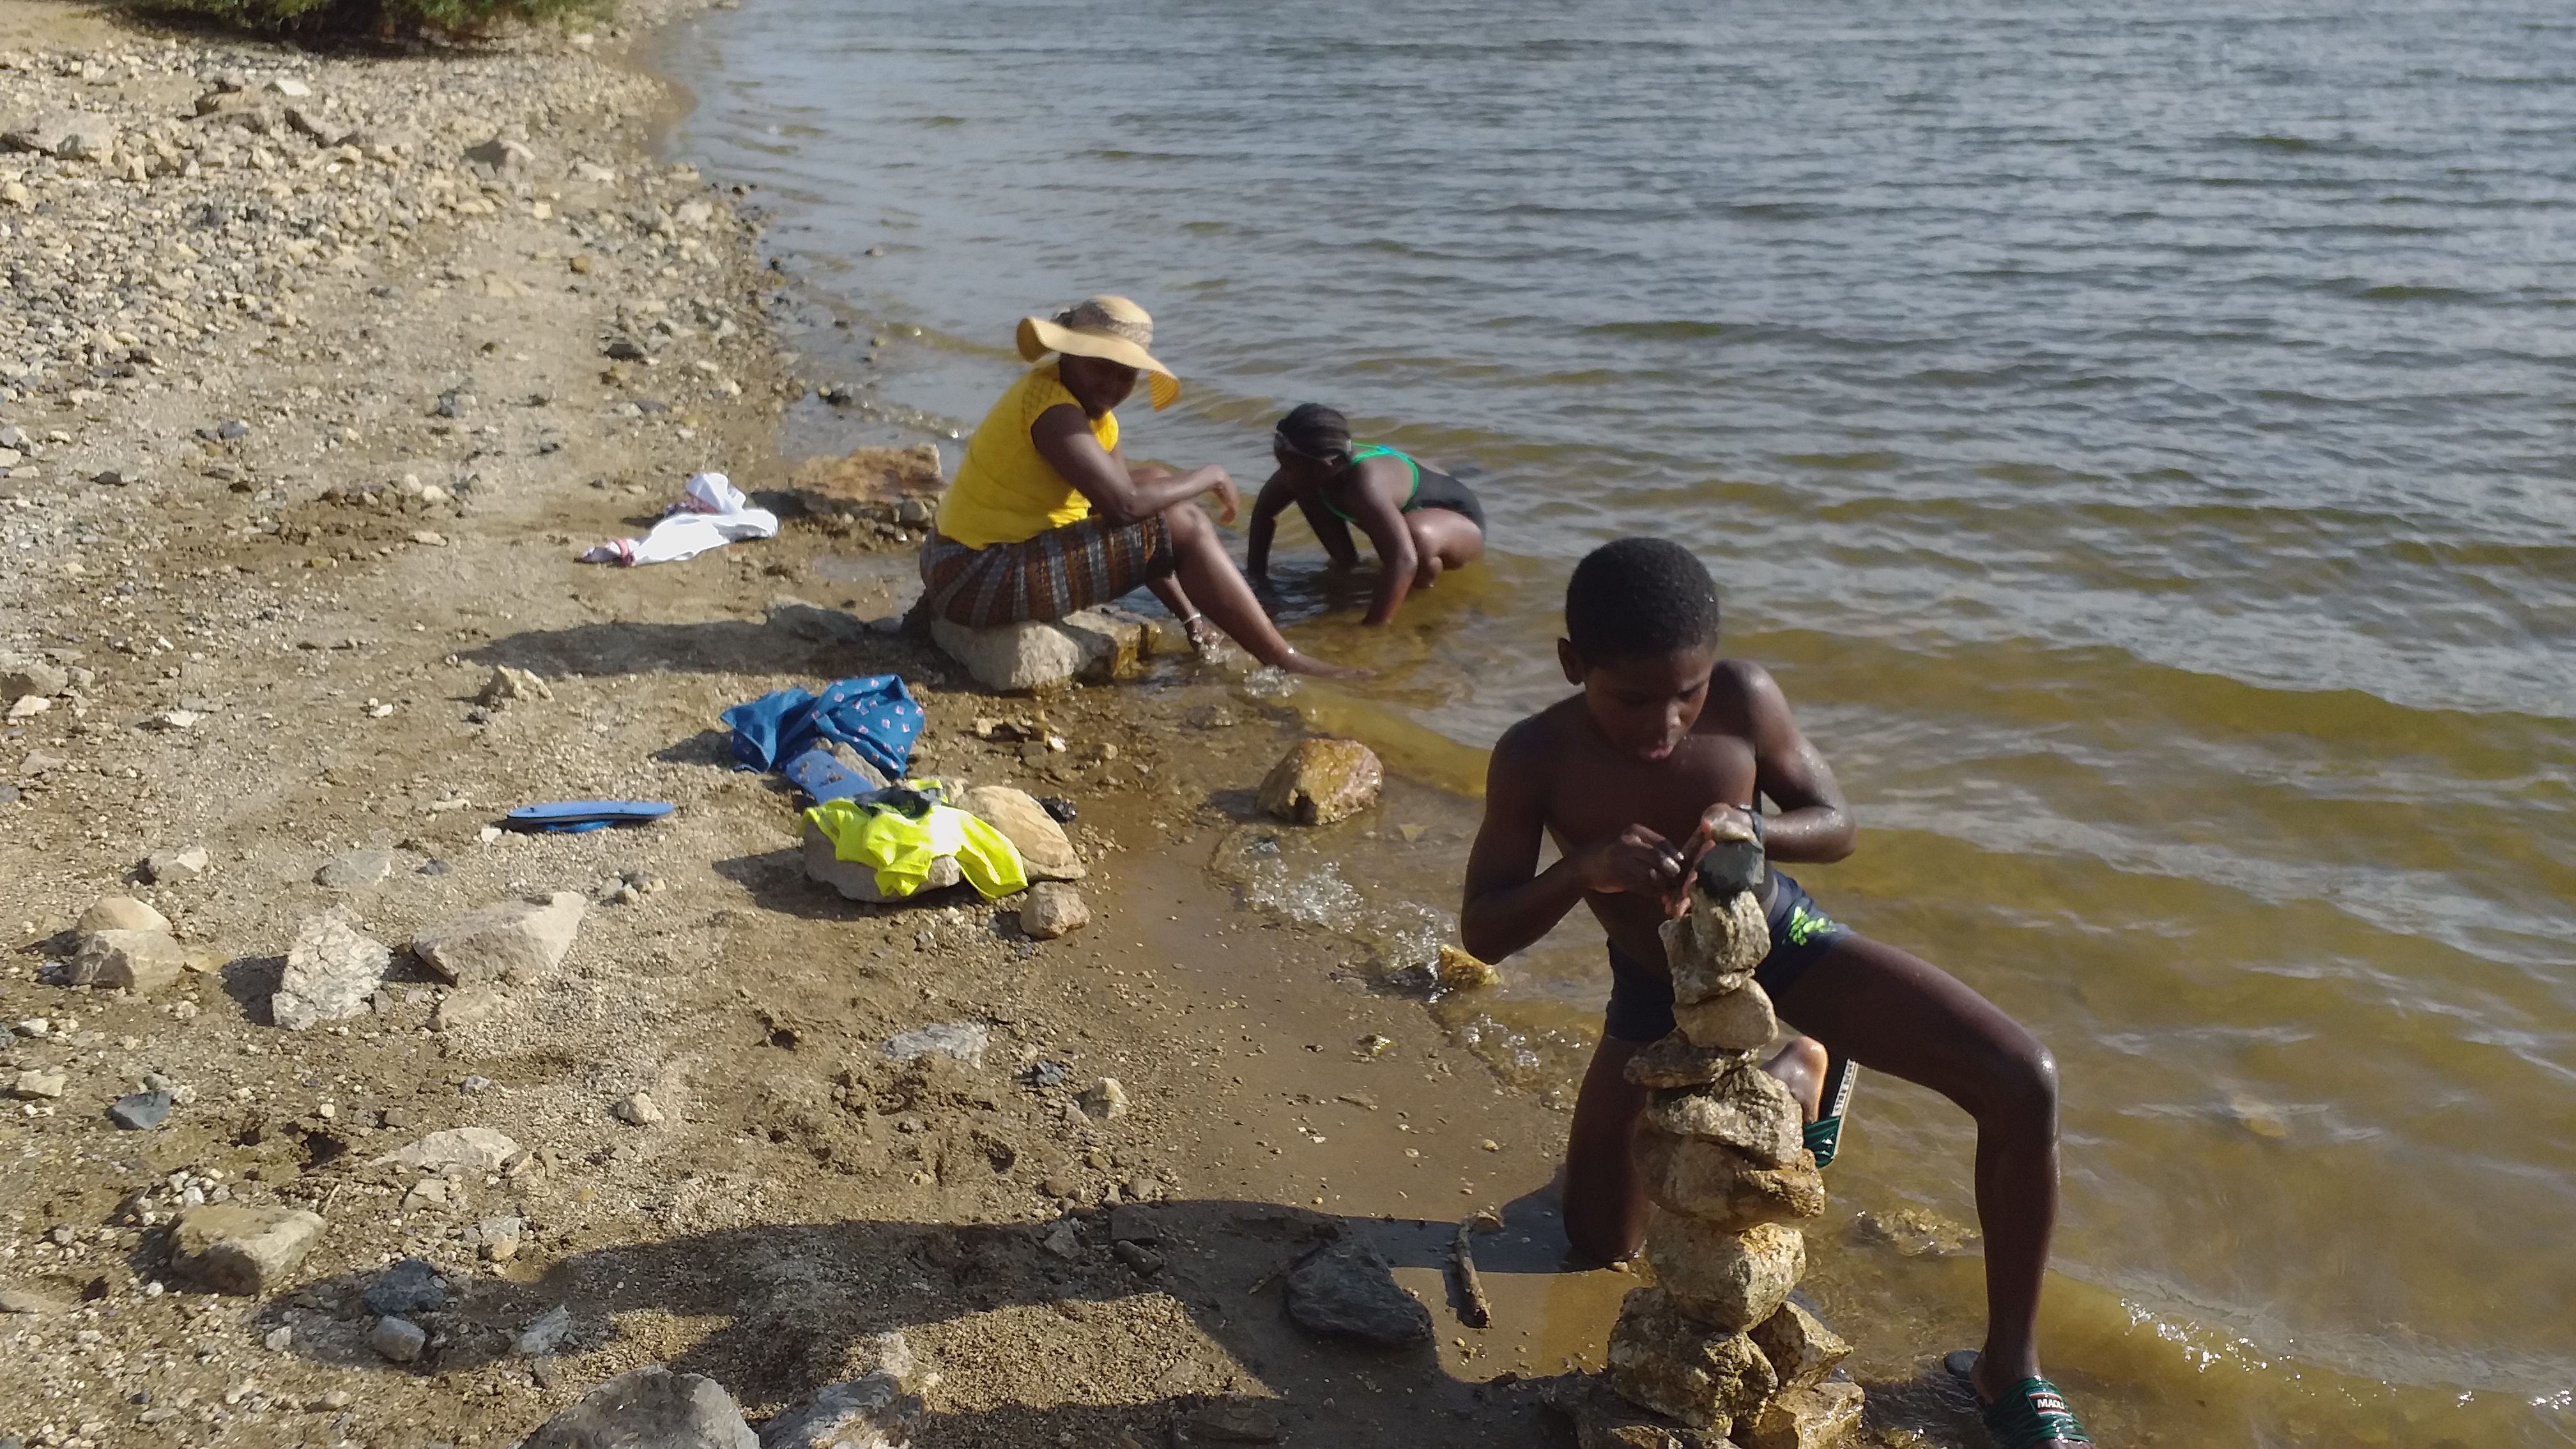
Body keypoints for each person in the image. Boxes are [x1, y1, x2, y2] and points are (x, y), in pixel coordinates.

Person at [1459, 537, 2089, 1449]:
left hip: (1780, 939)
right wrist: (1584, 869)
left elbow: (1837, 825)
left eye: (1687, 694)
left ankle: (2010, 1367)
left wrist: (1755, 827)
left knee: (2023, 1077)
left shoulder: (1746, 698)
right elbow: (1484, 930)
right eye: (1633, 699)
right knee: (1599, 1244)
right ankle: (1797, 1077)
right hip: (1654, 982)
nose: (1666, 724)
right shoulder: (1534, 756)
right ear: (1572, 664)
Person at [920, 297, 1361, 678]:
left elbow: (1129, 516)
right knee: (1184, 520)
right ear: (1068, 355)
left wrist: (1189, 619)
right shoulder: (1053, 410)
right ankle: (1282, 658)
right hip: (971, 576)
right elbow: (1126, 508)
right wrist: (1210, 475)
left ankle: (1219, 625)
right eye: (1100, 368)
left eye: (1126, 375)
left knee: (1154, 481)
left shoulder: (1091, 416)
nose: (1113, 386)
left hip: (966, 564)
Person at [1246, 403, 1485, 627]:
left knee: (1416, 542)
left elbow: (1404, 560)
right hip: (1396, 519)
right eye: (1281, 465)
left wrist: (1372, 628)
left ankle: (1421, 598)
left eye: (1288, 468)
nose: (1283, 475)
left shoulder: (1364, 485)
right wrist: (1259, 584)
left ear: (1327, 466)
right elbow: (1265, 514)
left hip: (1457, 521)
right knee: (1304, 491)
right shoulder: (1307, 469)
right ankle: (1348, 570)